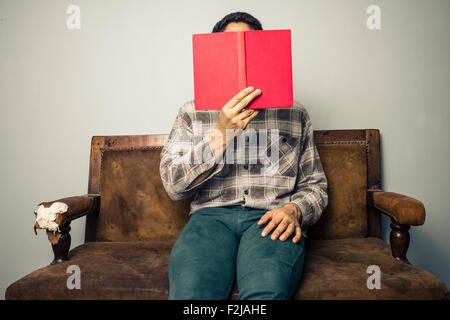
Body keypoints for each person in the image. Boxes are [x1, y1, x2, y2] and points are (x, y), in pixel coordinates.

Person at [160, 12, 328, 300]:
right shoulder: (191, 113)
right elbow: (173, 185)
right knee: (192, 294)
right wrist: (221, 133)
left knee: (266, 294)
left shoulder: (294, 112)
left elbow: (315, 185)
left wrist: (294, 211)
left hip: (271, 216)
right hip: (209, 219)